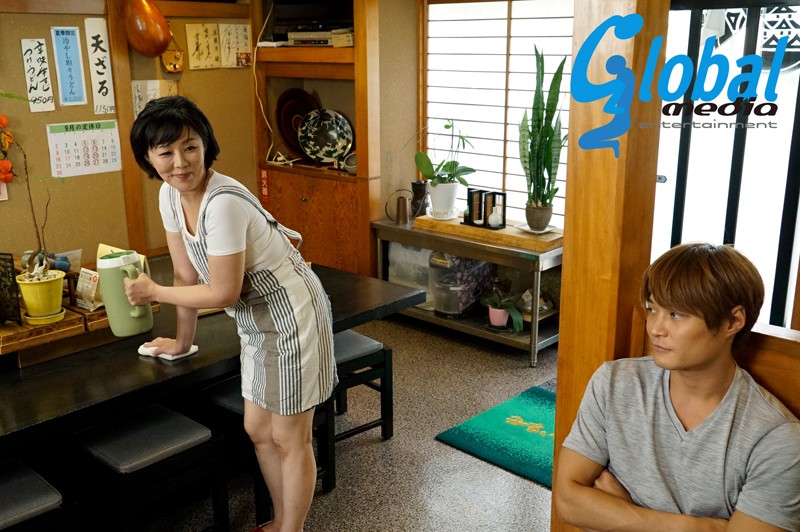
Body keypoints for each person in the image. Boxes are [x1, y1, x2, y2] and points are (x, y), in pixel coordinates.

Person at [124, 95, 337, 532]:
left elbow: (223, 291)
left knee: (289, 435)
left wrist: (153, 292)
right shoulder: (170, 196)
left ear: (206, 145)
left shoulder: (222, 202)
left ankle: (291, 530)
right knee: (258, 429)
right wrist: (182, 342)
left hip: (293, 313)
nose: (180, 162)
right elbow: (185, 274)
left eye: (190, 147)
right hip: (253, 319)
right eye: (165, 152)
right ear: (148, 158)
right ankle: (281, 521)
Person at [554, 242, 800, 531]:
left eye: (676, 314)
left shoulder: (776, 439)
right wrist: (697, 528)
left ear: (733, 321)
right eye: (652, 309)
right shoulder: (615, 382)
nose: (655, 328)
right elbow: (567, 500)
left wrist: (625, 511)